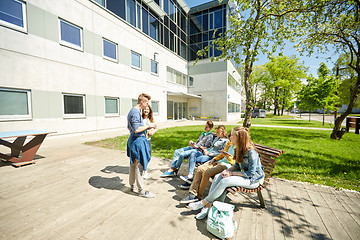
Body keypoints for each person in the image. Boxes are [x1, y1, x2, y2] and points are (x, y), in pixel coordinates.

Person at [188, 127, 265, 219]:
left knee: (225, 181)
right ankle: (209, 207)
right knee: (217, 176)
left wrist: (232, 174)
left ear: (239, 138)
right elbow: (236, 165)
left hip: (254, 180)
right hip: (245, 176)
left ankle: (203, 203)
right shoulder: (238, 148)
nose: (230, 137)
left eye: (232, 135)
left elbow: (251, 174)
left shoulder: (251, 152)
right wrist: (228, 171)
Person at [179, 125, 235, 200]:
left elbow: (236, 162)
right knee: (199, 168)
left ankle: (198, 196)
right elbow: (222, 154)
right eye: (230, 135)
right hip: (217, 160)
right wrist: (214, 159)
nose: (230, 137)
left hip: (226, 165)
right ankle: (192, 192)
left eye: (232, 135)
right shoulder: (229, 143)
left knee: (206, 172)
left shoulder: (236, 146)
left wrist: (227, 157)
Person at [127, 93, 157, 198]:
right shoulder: (135, 113)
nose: (147, 106)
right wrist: (149, 125)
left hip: (133, 141)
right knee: (139, 166)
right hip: (137, 143)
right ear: (142, 102)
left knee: (133, 165)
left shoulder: (132, 111)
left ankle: (132, 186)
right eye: (147, 103)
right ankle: (141, 191)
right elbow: (136, 129)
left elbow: (129, 128)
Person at [142, 105, 158, 179]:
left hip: (148, 139)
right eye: (145, 109)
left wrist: (152, 131)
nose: (146, 110)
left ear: (150, 111)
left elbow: (156, 128)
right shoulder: (140, 118)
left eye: (147, 109)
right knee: (143, 155)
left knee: (148, 155)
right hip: (141, 139)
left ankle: (143, 166)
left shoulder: (151, 119)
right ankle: (144, 170)